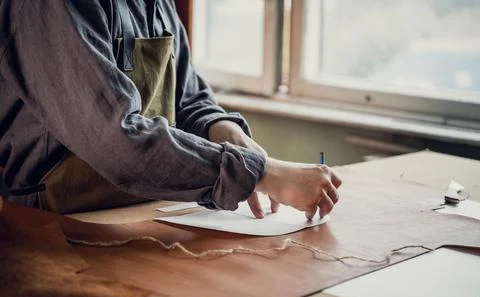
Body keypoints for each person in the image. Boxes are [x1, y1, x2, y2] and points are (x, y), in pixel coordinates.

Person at [0, 0, 341, 219]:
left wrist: (221, 128)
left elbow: (188, 97)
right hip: (52, 225)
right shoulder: (48, 6)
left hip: (148, 208)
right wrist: (262, 172)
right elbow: (116, 140)